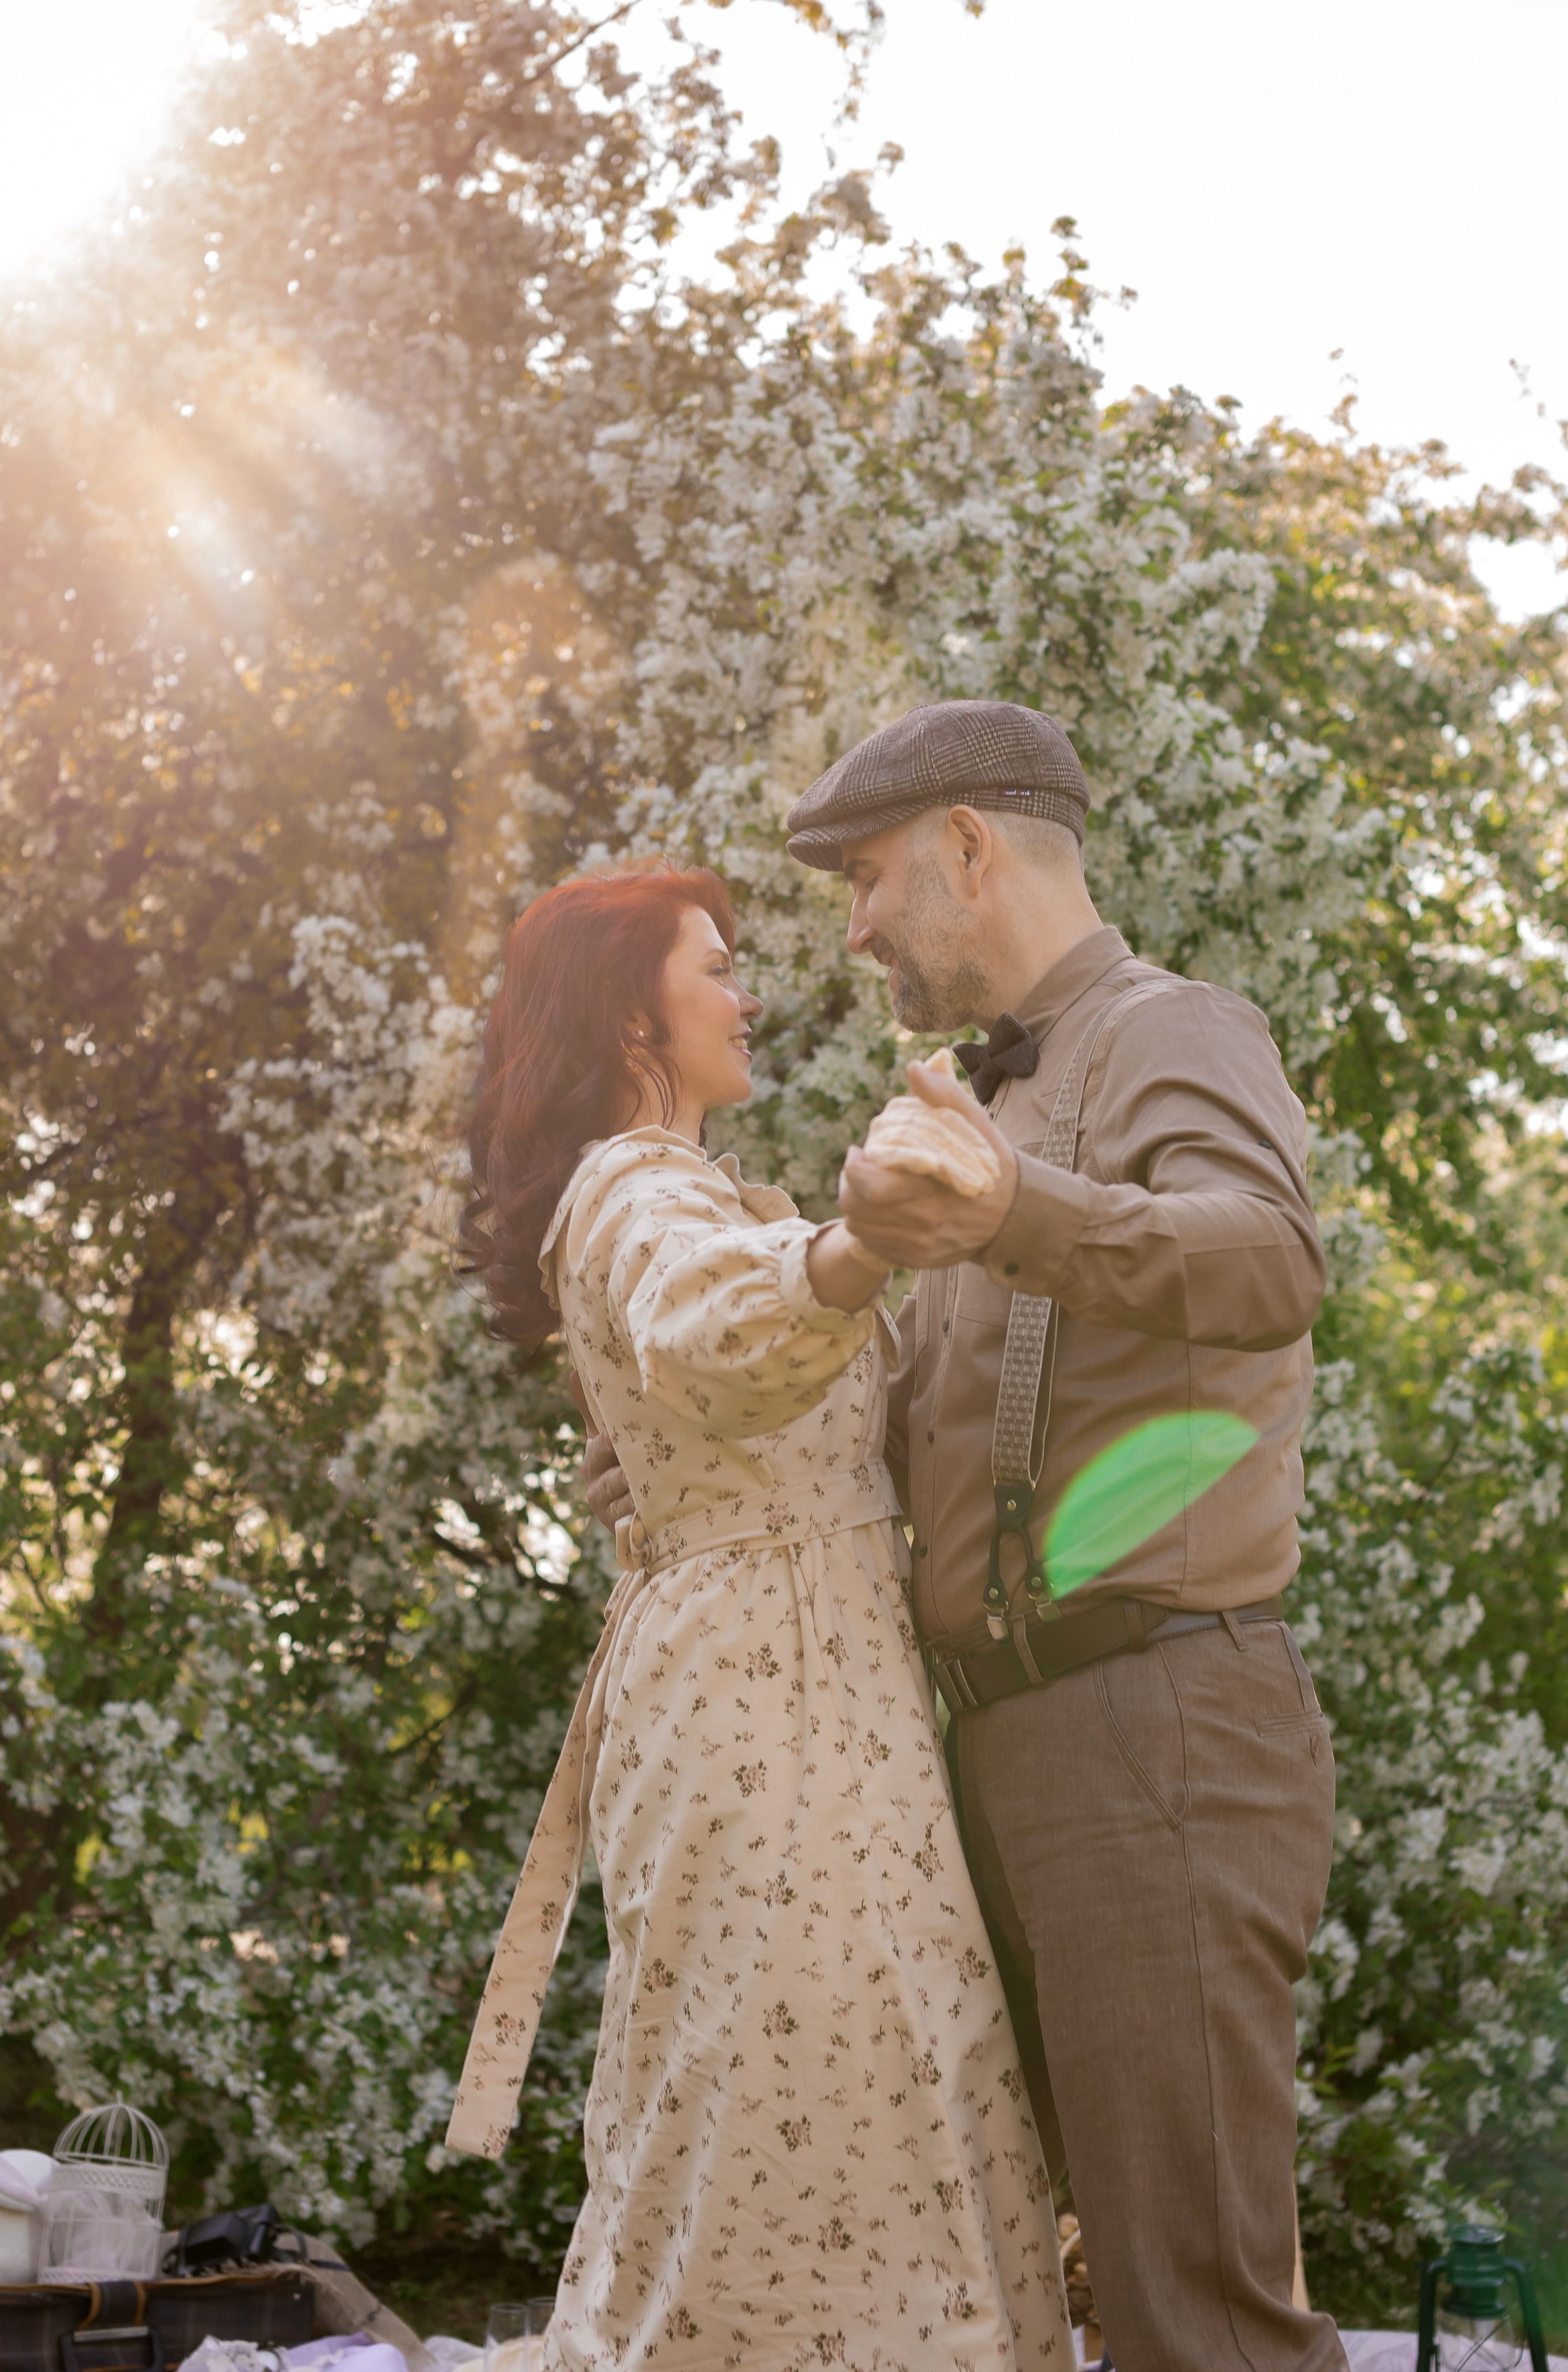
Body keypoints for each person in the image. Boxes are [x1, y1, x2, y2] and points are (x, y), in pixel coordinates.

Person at [589, 703, 1348, 2372]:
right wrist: (701, 1460)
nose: (851, 925)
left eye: (866, 877)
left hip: (1157, 1730)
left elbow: (1269, 1266)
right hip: (994, 1752)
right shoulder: (954, 1110)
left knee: (1192, 2310)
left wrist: (1017, 1210)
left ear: (965, 848)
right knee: (1060, 2300)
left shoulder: (1174, 1032)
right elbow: (915, 1435)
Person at [446, 862, 1072, 2372]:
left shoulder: (676, 1191)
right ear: (628, 1016)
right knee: (799, 2083)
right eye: (713, 966)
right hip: (762, 1697)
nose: (745, 994)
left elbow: (738, 1377)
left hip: (794, 1676)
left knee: (859, 2067)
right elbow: (723, 1330)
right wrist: (863, 1242)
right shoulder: (633, 1185)